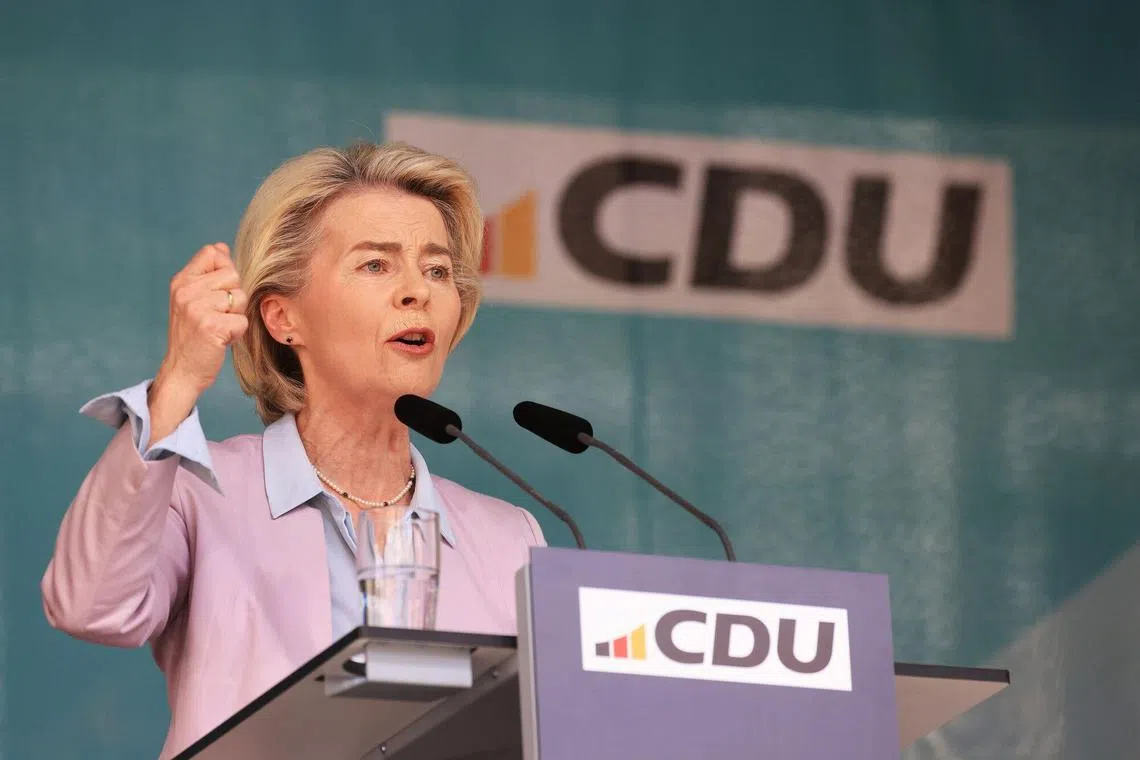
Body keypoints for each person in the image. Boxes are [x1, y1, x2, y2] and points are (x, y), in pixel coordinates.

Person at [40, 141, 547, 759]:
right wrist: (178, 380)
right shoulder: (201, 490)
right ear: (283, 318)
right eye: (376, 265)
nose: (417, 291)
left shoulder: (508, 537)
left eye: (438, 270)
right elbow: (90, 606)